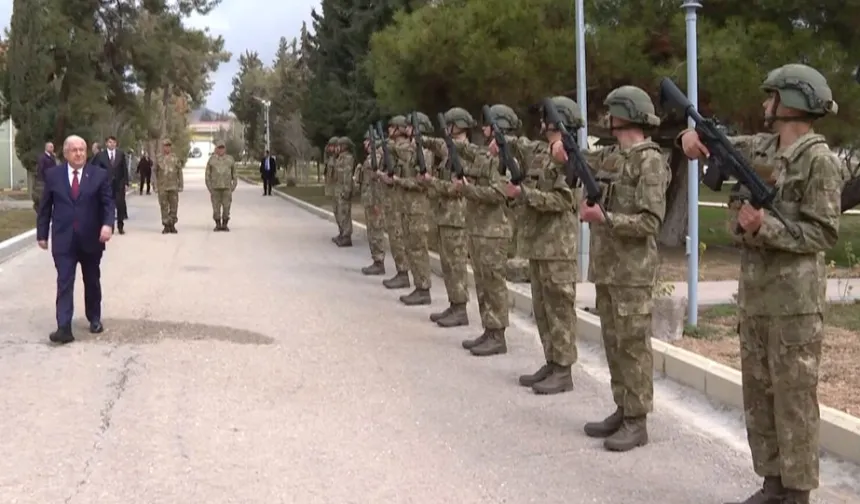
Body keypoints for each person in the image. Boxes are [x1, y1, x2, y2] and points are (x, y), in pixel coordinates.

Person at [679, 64, 841, 504]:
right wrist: (689, 139)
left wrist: (765, 226)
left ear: (790, 102)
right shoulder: (764, 147)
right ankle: (771, 483)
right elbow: (715, 145)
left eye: (771, 97)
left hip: (795, 305)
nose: (764, 104)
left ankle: (797, 492)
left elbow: (825, 234)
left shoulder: (820, 161)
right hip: (755, 299)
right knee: (759, 397)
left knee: (793, 403)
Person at [565, 86, 670, 452]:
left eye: (612, 111)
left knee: (633, 346)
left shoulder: (650, 161)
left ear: (625, 114)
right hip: (608, 269)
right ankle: (622, 408)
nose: (606, 117)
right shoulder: (613, 156)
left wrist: (604, 218)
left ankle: (637, 420)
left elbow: (649, 223)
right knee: (613, 342)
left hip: (632, 273)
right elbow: (580, 162)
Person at [499, 96, 580, 395]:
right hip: (539, 245)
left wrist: (524, 195)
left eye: (549, 119)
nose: (544, 124)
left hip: (558, 247)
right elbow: (520, 144)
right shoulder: (544, 154)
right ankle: (552, 360)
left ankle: (564, 369)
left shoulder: (570, 157)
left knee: (559, 309)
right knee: (543, 308)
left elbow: (563, 200)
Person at [36, 135, 115, 344]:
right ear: (65, 153)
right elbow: (45, 207)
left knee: (91, 281)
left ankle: (94, 317)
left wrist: (108, 224)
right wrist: (42, 234)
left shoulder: (98, 175)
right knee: (64, 282)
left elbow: (108, 203)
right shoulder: (53, 175)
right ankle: (64, 327)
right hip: (64, 240)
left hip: (91, 239)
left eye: (82, 149)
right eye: (74, 150)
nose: (79, 153)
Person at [457, 104, 516, 354]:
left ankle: (498, 335)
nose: (482, 128)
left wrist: (467, 189)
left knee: (493, 283)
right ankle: (488, 329)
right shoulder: (487, 155)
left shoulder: (507, 156)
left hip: (495, 231)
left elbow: (497, 192)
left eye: (488, 124)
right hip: (480, 229)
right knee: (482, 282)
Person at [421, 107, 471, 328]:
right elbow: (435, 143)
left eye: (449, 125)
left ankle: (460, 309)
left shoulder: (466, 153)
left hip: (457, 217)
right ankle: (454, 304)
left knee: (456, 265)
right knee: (448, 264)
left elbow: (457, 188)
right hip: (445, 216)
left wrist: (432, 182)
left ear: (457, 125)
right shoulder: (451, 150)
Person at [392, 112, 435, 306]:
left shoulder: (425, 153)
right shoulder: (411, 150)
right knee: (411, 247)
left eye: (410, 126)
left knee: (418, 248)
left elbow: (421, 183)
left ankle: (423, 288)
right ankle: (418, 285)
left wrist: (400, 181)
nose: (406, 129)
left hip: (418, 208)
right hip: (408, 207)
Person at [380, 116, 412, 290]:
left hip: (403, 201)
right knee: (394, 236)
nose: (389, 130)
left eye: (392, 127)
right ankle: (401, 272)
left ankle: (404, 273)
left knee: (399, 237)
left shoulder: (407, 148)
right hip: (394, 199)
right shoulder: (394, 150)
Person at [355, 129, 386, 274]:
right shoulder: (371, 156)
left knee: (376, 231)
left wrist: (377, 203)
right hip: (370, 199)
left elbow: (377, 179)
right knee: (372, 231)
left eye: (367, 140)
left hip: (376, 199)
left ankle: (379, 262)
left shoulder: (379, 155)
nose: (364, 143)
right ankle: (376, 260)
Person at [91, 136, 129, 234]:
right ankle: (110, 226)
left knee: (120, 205)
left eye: (113, 142)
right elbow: (96, 169)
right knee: (108, 206)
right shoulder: (101, 155)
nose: (112, 144)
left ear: (116, 144)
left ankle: (120, 226)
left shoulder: (120, 154)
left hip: (119, 184)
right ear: (106, 143)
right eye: (110, 142)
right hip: (106, 184)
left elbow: (124, 169)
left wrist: (126, 182)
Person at [205, 141, 238, 231]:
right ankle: (218, 224)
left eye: (222, 148)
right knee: (216, 208)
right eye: (219, 148)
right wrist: (210, 187)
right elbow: (207, 175)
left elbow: (234, 174)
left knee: (227, 207)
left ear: (225, 149)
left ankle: (225, 224)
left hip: (227, 188)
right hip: (215, 188)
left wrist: (233, 186)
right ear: (216, 149)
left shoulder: (230, 159)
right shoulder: (212, 160)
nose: (221, 150)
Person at [155, 139, 183, 234]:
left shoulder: (175, 158)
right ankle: (166, 225)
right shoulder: (158, 158)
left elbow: (179, 172)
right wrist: (154, 185)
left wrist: (181, 185)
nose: (167, 148)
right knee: (163, 206)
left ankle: (172, 224)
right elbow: (154, 172)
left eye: (168, 146)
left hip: (173, 186)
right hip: (162, 187)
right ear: (162, 147)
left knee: (174, 206)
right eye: (165, 146)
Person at [332, 137, 355, 247]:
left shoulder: (348, 158)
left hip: (343, 189)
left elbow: (348, 175)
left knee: (344, 213)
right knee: (338, 212)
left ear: (345, 146)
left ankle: (346, 236)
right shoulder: (339, 158)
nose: (337, 148)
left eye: (339, 145)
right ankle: (341, 233)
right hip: (338, 189)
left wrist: (347, 190)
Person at [31, 142, 57, 213]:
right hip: (45, 181)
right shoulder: (42, 157)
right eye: (50, 147)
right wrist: (44, 179)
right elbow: (41, 169)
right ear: (46, 148)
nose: (52, 148)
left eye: (53, 147)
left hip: (52, 180)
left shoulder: (53, 157)